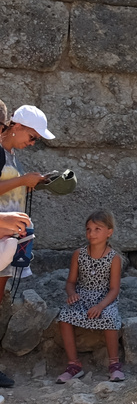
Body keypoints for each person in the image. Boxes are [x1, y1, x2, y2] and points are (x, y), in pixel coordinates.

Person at [0, 104, 53, 388]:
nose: (31, 143)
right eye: (32, 137)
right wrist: (23, 180)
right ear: (16, 126)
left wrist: (29, 183)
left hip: (9, 238)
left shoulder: (11, 155)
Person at [56, 209, 125, 383]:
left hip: (104, 299)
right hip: (82, 296)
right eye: (88, 229)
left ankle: (114, 364)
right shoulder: (79, 254)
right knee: (65, 316)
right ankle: (74, 365)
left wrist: (101, 306)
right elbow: (71, 282)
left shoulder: (114, 258)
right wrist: (72, 294)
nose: (91, 233)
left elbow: (114, 289)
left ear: (109, 232)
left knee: (109, 317)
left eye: (97, 229)